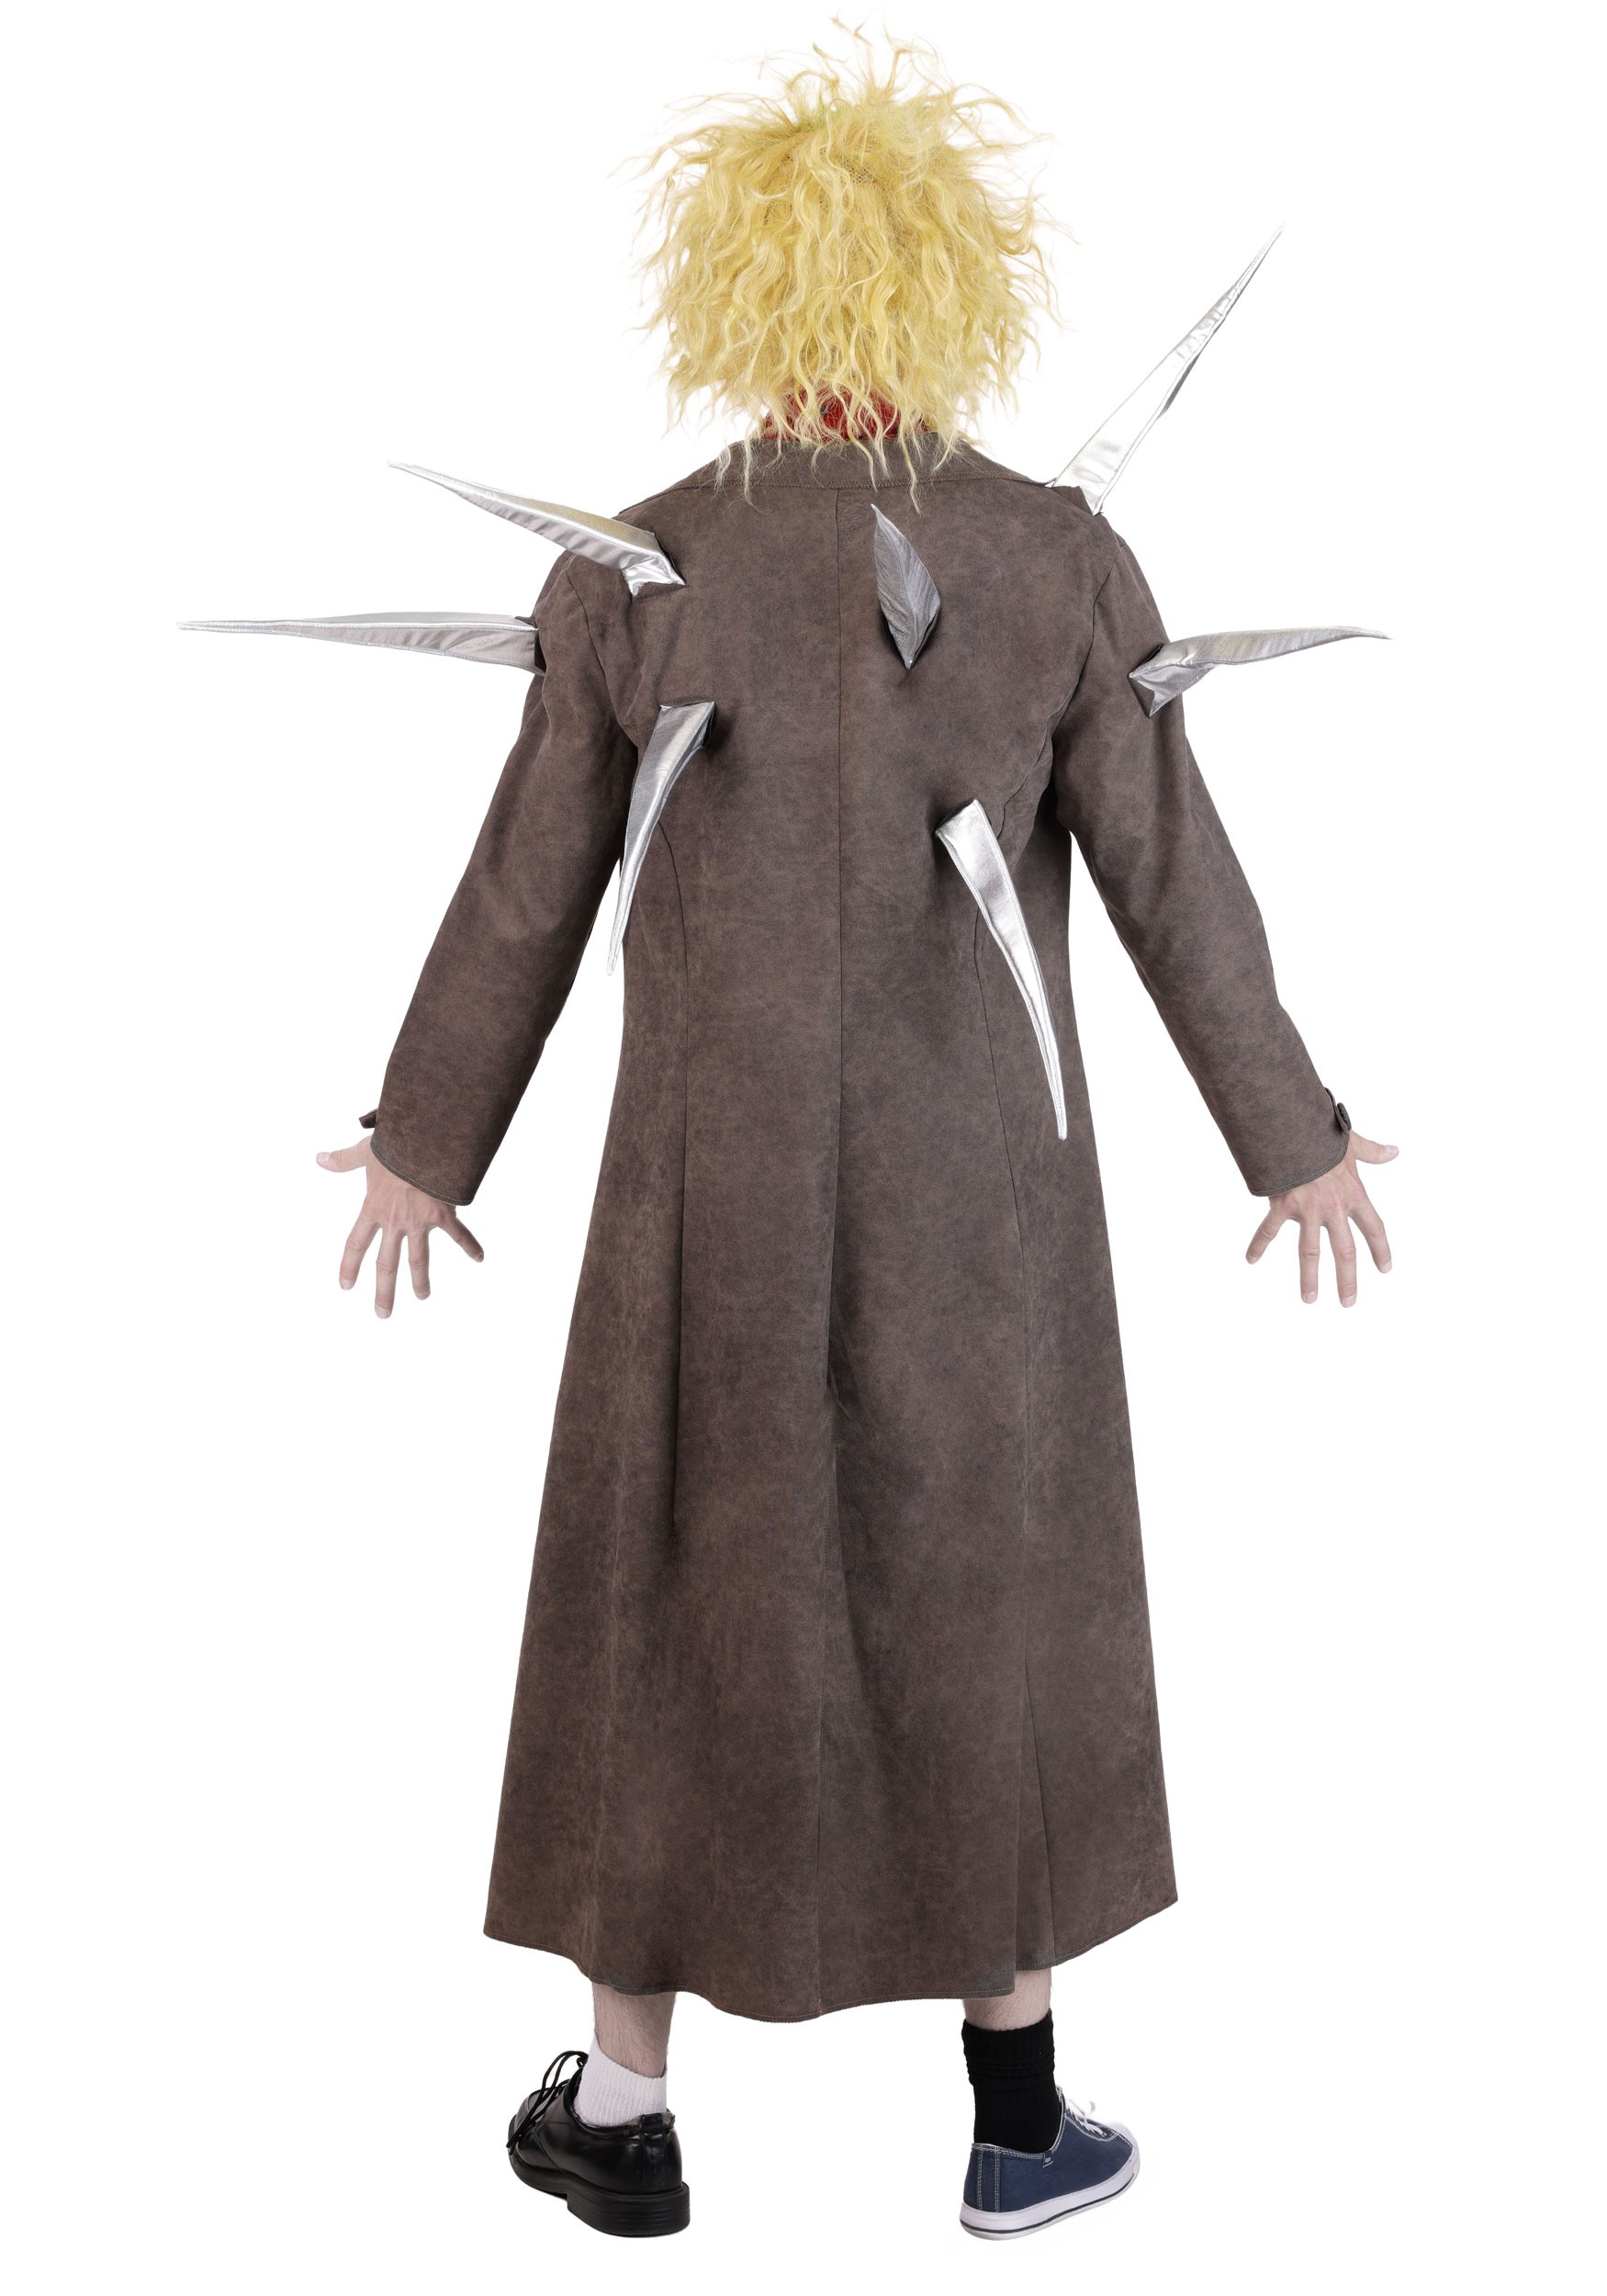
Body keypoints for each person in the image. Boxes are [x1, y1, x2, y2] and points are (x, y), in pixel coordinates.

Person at [306, 38, 1395, 2243]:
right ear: (952, 286)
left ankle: (622, 2113)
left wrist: (427, 1134)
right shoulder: (1053, 555)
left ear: (739, 285)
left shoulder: (646, 565)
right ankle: (1019, 2124)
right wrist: (1289, 1133)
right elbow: (1171, 869)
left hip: (696, 1200)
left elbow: (526, 882)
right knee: (983, 1578)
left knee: (664, 1593)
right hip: (980, 1199)